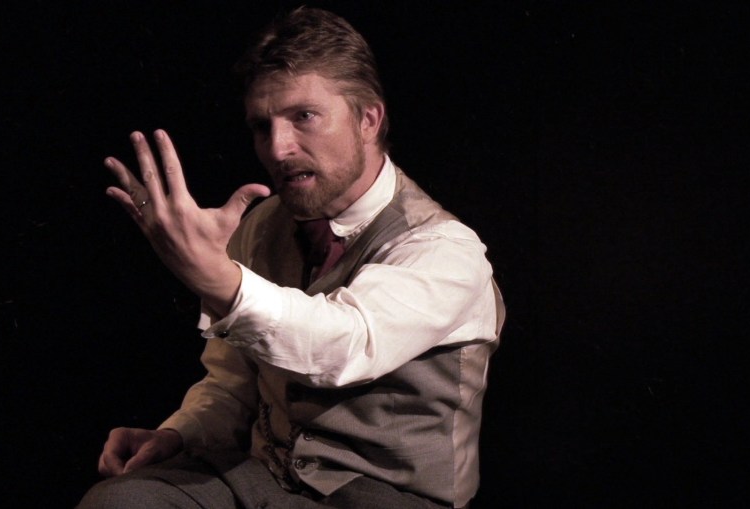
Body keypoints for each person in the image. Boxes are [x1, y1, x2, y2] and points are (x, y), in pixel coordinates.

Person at [78, 7, 504, 509]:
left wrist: (221, 280)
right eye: (262, 126)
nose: (278, 149)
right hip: (265, 481)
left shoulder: (443, 248)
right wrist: (178, 434)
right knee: (120, 501)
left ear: (368, 119)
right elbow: (234, 383)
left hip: (383, 496)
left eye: (304, 116)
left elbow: (343, 345)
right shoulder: (263, 225)